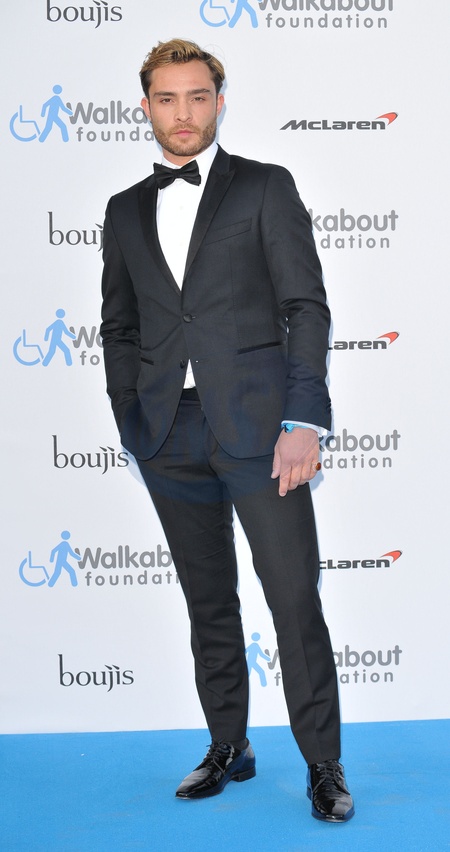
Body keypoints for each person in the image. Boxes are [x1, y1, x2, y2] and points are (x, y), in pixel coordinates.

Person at [100, 38, 354, 823]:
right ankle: (228, 745)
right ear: (146, 106)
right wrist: (131, 419)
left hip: (261, 432)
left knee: (292, 600)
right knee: (207, 601)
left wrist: (302, 420)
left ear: (218, 99)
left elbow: (305, 307)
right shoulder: (124, 210)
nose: (183, 113)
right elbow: (119, 326)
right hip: (167, 434)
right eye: (167, 98)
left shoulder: (266, 187)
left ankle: (322, 764)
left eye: (198, 95)